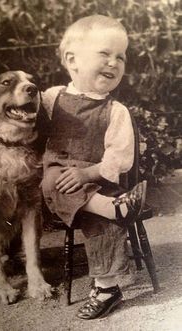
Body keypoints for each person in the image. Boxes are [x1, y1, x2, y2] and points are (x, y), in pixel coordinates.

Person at [42, 15, 147, 319]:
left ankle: (106, 288)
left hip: (99, 179)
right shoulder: (51, 99)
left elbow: (120, 157)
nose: (114, 62)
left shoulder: (115, 110)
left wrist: (87, 174)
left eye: (121, 57)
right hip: (59, 180)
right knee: (52, 180)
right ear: (72, 60)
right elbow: (28, 130)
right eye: (105, 53)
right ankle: (116, 208)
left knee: (98, 222)